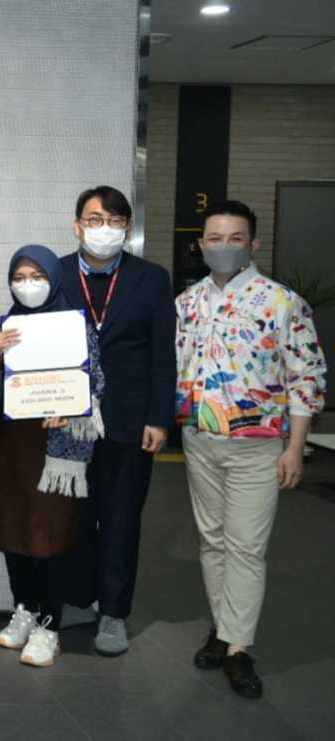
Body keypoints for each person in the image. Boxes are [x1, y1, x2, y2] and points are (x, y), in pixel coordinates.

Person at [176, 200, 325, 699]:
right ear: (201, 245)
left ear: (253, 244)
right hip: (199, 441)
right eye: (214, 239)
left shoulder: (281, 302)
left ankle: (239, 647)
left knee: (245, 547)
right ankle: (222, 630)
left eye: (234, 238)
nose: (223, 247)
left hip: (258, 447)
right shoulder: (187, 303)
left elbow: (306, 377)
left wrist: (295, 447)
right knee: (213, 540)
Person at [58, 185, 176, 657]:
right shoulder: (58, 272)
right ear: (76, 225)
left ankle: (113, 612)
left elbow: (163, 355)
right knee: (76, 517)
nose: (102, 229)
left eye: (113, 221)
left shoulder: (151, 278)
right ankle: (77, 599)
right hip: (70, 420)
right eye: (93, 219)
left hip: (131, 419)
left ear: (127, 228)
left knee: (122, 518)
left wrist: (159, 417)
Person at [0, 244, 104, 668]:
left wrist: (69, 407)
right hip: (12, 444)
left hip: (54, 449)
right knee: (14, 532)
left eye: (37, 276)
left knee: (47, 536)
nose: (27, 285)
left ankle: (50, 626)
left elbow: (95, 383)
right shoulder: (7, 324)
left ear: (54, 279)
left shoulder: (76, 324)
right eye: (19, 277)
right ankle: (24, 611)